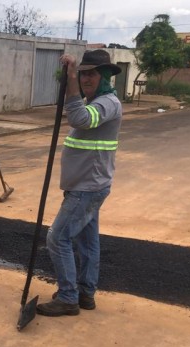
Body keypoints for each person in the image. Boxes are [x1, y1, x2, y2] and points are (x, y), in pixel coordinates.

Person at [36, 49, 122, 317]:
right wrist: (72, 78)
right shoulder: (94, 101)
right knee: (87, 242)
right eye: (83, 74)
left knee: (57, 237)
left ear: (106, 76)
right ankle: (85, 293)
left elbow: (78, 119)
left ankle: (68, 296)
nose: (86, 79)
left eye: (92, 73)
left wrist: (71, 74)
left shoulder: (107, 103)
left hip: (88, 188)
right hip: (84, 185)